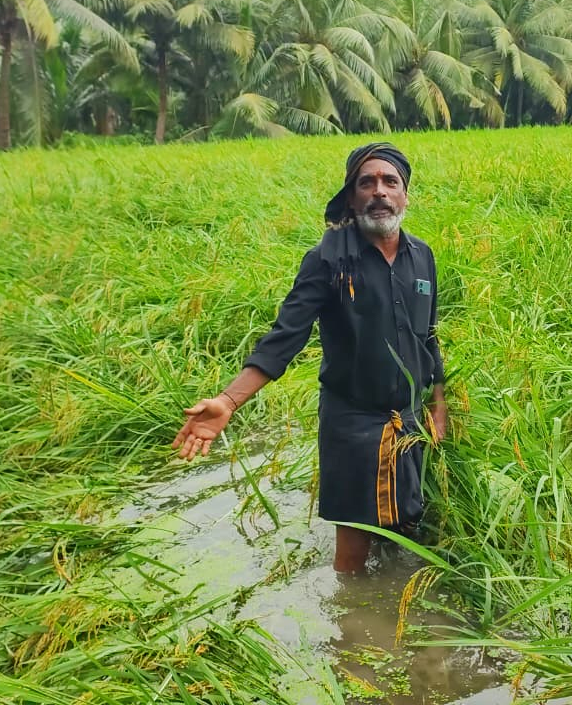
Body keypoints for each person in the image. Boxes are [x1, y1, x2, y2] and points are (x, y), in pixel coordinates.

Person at [171, 143, 448, 574]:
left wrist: (439, 407)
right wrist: (228, 401)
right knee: (352, 554)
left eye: (390, 181)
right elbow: (286, 336)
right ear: (352, 197)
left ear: (406, 194)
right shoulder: (327, 261)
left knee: (402, 525)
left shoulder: (423, 256)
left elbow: (429, 337)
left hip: (408, 419)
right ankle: (350, 625)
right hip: (352, 421)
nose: (379, 191)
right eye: (367, 183)